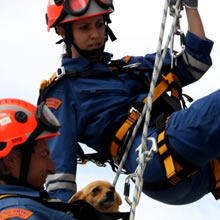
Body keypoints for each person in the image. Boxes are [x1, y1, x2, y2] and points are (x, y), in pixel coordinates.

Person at [38, 0, 219, 206]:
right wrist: (61, 213)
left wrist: (190, 8)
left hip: (199, 173)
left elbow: (195, 63)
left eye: (99, 25)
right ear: (63, 31)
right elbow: (60, 165)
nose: (95, 34)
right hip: (153, 157)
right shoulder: (63, 90)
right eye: (84, 27)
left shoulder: (127, 68)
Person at [0, 98, 80, 220]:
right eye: (43, 155)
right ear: (11, 160)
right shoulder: (17, 213)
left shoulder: (30, 205)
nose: (52, 169)